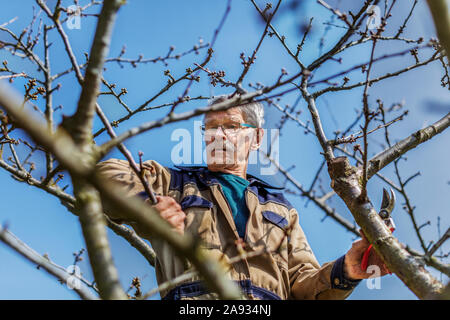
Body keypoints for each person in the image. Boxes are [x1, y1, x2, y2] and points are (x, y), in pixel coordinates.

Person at [96, 95, 390, 300]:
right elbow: (103, 176)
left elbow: (303, 286)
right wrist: (147, 206)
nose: (218, 135)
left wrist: (346, 271)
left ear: (257, 138)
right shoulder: (174, 183)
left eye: (231, 126)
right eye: (210, 128)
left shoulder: (281, 209)